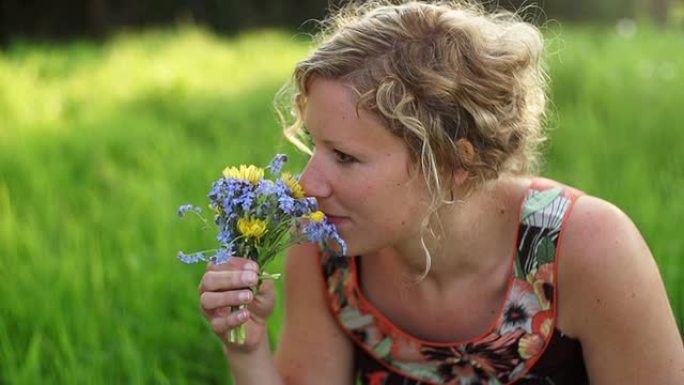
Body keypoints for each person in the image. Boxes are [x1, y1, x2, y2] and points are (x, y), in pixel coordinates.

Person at [197, 1, 684, 384]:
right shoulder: (329, 248)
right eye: (314, 147)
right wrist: (247, 349)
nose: (307, 184)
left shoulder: (588, 249)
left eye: (344, 157)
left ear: (455, 162)